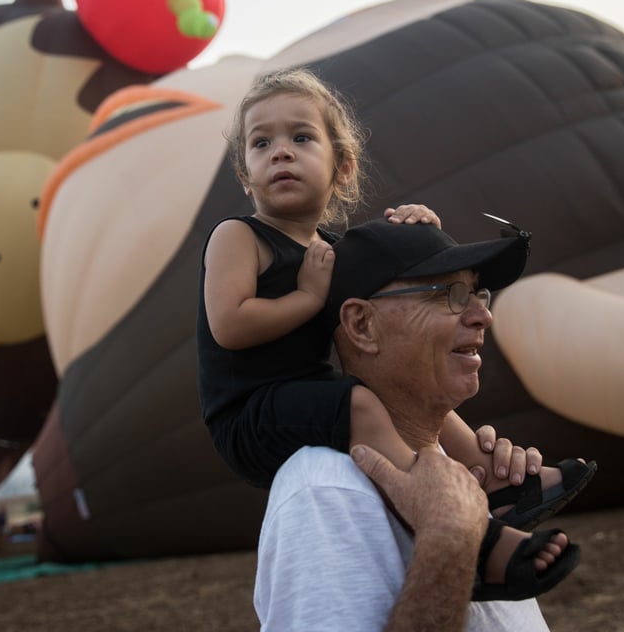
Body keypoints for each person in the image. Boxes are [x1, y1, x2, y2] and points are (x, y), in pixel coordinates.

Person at [198, 68, 592, 523]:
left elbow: (389, 301)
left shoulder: (329, 251)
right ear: (246, 176)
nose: (280, 151)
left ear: (342, 167)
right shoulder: (238, 236)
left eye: (302, 138)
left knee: (397, 387)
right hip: (248, 417)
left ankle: (492, 477)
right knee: (363, 402)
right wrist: (308, 297)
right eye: (261, 143)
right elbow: (228, 326)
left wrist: (418, 225)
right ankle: (437, 509)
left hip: (310, 398)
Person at [255, 219, 585, 630]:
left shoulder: (454, 470)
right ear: (362, 325)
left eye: (478, 293)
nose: (484, 315)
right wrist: (450, 537)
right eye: (450, 294)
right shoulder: (325, 490)